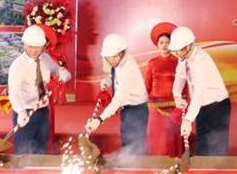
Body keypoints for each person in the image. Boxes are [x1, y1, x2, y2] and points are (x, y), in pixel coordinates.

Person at [8, 25, 71, 155]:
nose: (33, 51)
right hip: (24, 111)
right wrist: (20, 111)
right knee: (22, 151)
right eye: (30, 47)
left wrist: (63, 72)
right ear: (23, 44)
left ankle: (39, 173)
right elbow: (13, 93)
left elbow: (56, 69)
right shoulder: (17, 66)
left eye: (37, 47)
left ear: (44, 46)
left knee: (41, 150)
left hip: (42, 112)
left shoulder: (45, 58)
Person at [170, 26, 231, 156]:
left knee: (216, 150)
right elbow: (180, 77)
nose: (177, 54)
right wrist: (177, 96)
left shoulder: (201, 61)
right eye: (175, 52)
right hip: (201, 107)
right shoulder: (183, 58)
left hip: (217, 107)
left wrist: (187, 120)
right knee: (202, 148)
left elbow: (199, 93)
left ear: (188, 47)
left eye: (179, 51)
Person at [85, 34, 149, 155]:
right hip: (128, 109)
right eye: (108, 57)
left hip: (136, 110)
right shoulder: (120, 62)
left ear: (122, 52)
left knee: (135, 145)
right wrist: (108, 81)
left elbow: (118, 100)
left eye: (114, 56)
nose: (111, 60)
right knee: (126, 141)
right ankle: (128, 166)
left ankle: (135, 169)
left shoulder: (127, 68)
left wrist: (99, 119)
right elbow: (116, 78)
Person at [145, 22, 188, 156]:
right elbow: (147, 85)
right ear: (157, 44)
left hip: (173, 106)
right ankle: (156, 163)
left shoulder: (179, 61)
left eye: (167, 42)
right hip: (155, 107)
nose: (164, 45)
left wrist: (183, 104)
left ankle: (174, 164)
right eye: (161, 42)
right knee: (157, 137)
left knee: (172, 137)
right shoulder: (152, 63)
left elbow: (185, 85)